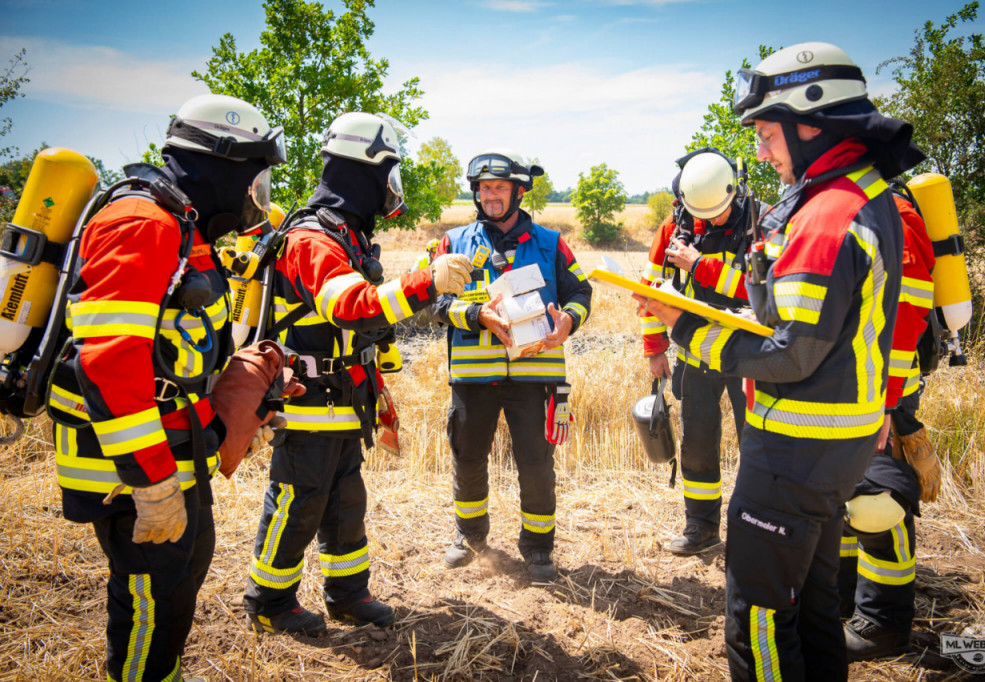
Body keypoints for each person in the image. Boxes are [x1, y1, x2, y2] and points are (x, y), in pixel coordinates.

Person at [635, 42, 924, 680]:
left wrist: (683, 329)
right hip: (836, 444)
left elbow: (791, 352)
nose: (763, 153)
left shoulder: (828, 215)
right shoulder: (868, 195)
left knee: (761, 619)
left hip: (796, 448)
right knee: (815, 606)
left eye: (767, 135)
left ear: (810, 123)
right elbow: (809, 321)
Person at [50, 93, 286, 682]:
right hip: (129, 466)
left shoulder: (183, 226)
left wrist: (234, 414)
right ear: (219, 163)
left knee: (181, 574)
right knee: (150, 598)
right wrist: (151, 479)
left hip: (172, 449)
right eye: (253, 176)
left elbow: (183, 353)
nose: (255, 194)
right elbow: (109, 362)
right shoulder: (142, 223)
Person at [243, 112, 472, 636]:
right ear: (363, 173)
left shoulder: (346, 236)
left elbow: (367, 321)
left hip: (344, 399)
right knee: (297, 504)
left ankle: (347, 595)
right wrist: (425, 282)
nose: (391, 188)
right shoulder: (311, 239)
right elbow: (352, 307)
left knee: (345, 504)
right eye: (388, 174)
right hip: (307, 401)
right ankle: (269, 602)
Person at [432, 148, 592, 582]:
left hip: (537, 377)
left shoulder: (551, 243)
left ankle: (538, 548)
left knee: (536, 464)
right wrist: (476, 314)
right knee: (468, 458)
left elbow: (581, 293)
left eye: (499, 187)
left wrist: (568, 320)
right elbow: (436, 303)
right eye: (484, 188)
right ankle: (470, 538)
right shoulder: (453, 243)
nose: (490, 195)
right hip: (473, 376)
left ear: (519, 192)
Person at [640, 149, 763, 555]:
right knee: (696, 442)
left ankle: (756, 530)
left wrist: (698, 265)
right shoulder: (674, 227)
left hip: (751, 356)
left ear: (735, 192)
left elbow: (762, 293)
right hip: (696, 352)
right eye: (702, 214)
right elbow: (650, 290)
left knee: (757, 445)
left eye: (720, 212)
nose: (712, 221)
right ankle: (701, 528)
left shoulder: (761, 223)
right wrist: (655, 347)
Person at [840, 191, 941, 660]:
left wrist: (886, 398)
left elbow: (909, 305)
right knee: (840, 491)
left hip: (883, 387)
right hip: (841, 380)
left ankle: (883, 622)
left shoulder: (889, 211)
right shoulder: (830, 203)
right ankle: (842, 598)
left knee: (877, 501)